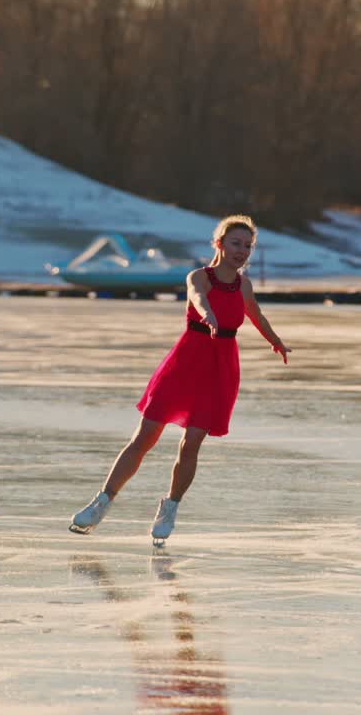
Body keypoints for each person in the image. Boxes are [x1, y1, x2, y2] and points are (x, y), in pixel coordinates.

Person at [69, 215, 291, 543]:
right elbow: (199, 299)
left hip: (220, 367)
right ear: (219, 244)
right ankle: (102, 501)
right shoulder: (198, 276)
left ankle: (169, 508)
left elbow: (255, 313)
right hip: (186, 361)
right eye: (235, 243)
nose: (242, 251)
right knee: (145, 436)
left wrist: (274, 340)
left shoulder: (244, 285)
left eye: (247, 246)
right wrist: (209, 316)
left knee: (192, 443)